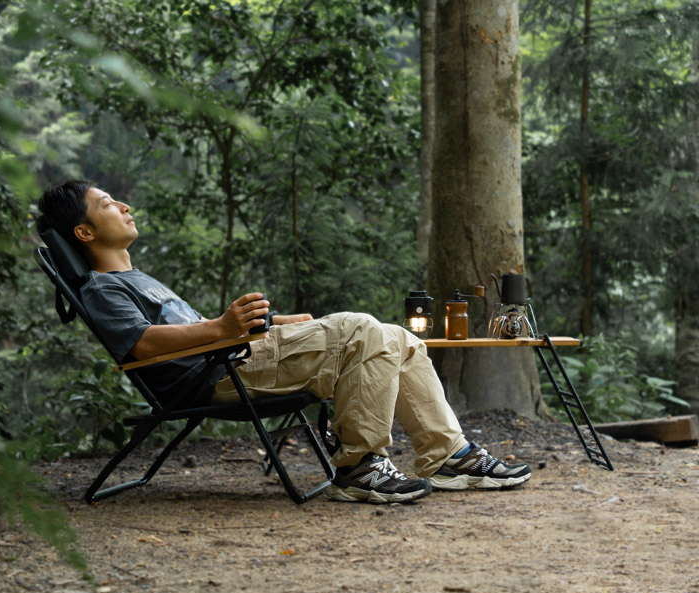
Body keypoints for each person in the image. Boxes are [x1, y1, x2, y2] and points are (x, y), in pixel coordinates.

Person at [37, 180, 532, 504]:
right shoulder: (102, 288)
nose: (123, 206)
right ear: (83, 231)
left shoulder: (139, 278)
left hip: (236, 356)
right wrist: (225, 329)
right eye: (107, 205)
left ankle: (448, 456)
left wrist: (267, 323)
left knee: (399, 336)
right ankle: (360, 466)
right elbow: (144, 347)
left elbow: (201, 330)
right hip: (218, 375)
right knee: (362, 326)